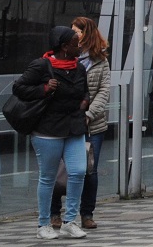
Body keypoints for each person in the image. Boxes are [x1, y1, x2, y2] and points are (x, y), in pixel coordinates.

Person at [14, 26, 89, 240]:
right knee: (48, 178)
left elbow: (84, 90)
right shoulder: (41, 66)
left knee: (78, 171)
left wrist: (85, 101)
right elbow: (19, 88)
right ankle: (43, 224)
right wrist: (44, 89)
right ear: (64, 47)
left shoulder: (79, 68)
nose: (80, 46)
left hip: (74, 127)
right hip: (48, 130)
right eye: (76, 44)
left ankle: (70, 221)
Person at [49, 17, 109, 231]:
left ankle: (86, 214)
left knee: (89, 171)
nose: (74, 34)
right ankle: (54, 213)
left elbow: (104, 90)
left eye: (77, 31)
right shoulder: (61, 58)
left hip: (93, 124)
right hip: (66, 122)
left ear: (87, 34)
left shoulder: (100, 60)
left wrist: (90, 113)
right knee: (59, 170)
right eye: (72, 31)